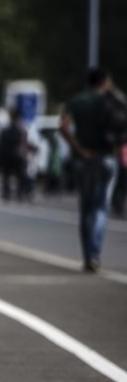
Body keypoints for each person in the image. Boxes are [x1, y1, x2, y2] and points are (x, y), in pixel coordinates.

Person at [60, 67, 123, 273]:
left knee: (86, 209)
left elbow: (64, 126)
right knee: (100, 208)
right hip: (106, 158)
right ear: (105, 81)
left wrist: (80, 149)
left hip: (82, 160)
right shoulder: (111, 100)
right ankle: (95, 254)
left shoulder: (78, 100)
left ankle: (88, 255)